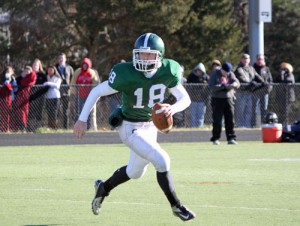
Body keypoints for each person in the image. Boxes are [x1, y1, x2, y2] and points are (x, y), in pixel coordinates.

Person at [73, 33, 195, 221]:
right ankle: (177, 206)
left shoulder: (168, 71)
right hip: (130, 127)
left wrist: (173, 108)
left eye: (149, 54)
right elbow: (97, 91)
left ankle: (103, 188)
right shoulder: (126, 73)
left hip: (151, 126)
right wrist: (82, 119)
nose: (144, 58)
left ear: (159, 56)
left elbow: (185, 98)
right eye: (141, 54)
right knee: (162, 160)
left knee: (135, 172)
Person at [209, 62, 240, 145]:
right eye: (225, 71)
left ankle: (231, 138)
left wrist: (234, 84)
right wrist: (222, 86)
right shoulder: (215, 74)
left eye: (228, 72)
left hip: (229, 99)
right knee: (217, 120)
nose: (227, 73)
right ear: (222, 69)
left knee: (230, 120)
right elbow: (211, 86)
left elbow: (237, 83)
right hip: (217, 99)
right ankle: (216, 138)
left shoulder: (230, 74)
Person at [234, 53, 264, 128]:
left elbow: (258, 78)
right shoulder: (239, 69)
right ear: (241, 59)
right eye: (244, 58)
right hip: (241, 93)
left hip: (249, 93)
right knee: (241, 110)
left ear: (249, 60)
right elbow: (243, 79)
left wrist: (261, 83)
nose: (245, 60)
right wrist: (252, 83)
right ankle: (240, 126)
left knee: (249, 111)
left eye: (247, 58)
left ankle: (247, 127)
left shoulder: (251, 68)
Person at [70, 58, 100, 130]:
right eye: (83, 64)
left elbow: (96, 84)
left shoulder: (92, 72)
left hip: (89, 96)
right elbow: (73, 83)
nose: (84, 66)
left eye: (86, 65)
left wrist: (94, 95)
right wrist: (73, 93)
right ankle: (78, 127)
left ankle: (89, 127)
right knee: (79, 111)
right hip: (79, 96)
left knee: (90, 112)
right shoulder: (78, 72)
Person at [11, 66, 36, 132]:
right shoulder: (20, 78)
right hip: (19, 96)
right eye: (25, 71)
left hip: (28, 96)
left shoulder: (31, 77)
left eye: (28, 71)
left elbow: (31, 83)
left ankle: (25, 126)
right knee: (19, 111)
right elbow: (16, 84)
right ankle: (19, 126)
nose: (26, 72)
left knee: (25, 112)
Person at [26, 58, 48, 132]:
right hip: (31, 97)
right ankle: (30, 128)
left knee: (39, 112)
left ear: (39, 66)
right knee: (31, 113)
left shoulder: (42, 75)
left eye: (37, 65)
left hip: (40, 96)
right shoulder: (30, 74)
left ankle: (38, 128)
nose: (35, 66)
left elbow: (46, 86)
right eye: (34, 65)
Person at [186, 62, 209, 127]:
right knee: (192, 116)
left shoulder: (206, 77)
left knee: (201, 116)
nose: (199, 72)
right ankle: (192, 129)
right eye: (198, 70)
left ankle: (200, 129)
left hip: (202, 100)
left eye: (201, 71)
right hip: (193, 100)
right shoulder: (191, 76)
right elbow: (188, 87)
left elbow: (209, 88)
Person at [252, 54, 273, 126]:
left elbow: (270, 80)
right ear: (256, 60)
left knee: (264, 109)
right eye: (258, 59)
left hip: (264, 92)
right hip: (255, 92)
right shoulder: (253, 68)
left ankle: (264, 124)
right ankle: (253, 124)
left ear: (263, 60)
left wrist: (269, 89)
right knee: (253, 109)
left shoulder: (266, 69)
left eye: (261, 59)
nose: (260, 61)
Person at [55, 53, 74, 129]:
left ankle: (65, 127)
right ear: (58, 59)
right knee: (57, 110)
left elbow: (73, 79)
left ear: (65, 59)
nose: (61, 59)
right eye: (59, 58)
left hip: (66, 92)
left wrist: (71, 89)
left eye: (62, 58)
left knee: (66, 110)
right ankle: (56, 127)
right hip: (57, 92)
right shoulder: (55, 68)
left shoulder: (69, 68)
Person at [44, 65, 62, 129]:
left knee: (54, 112)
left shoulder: (57, 78)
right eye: (48, 70)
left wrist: (48, 83)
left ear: (54, 70)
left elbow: (57, 86)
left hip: (55, 97)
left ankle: (55, 127)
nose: (49, 71)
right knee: (49, 112)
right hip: (48, 97)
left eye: (51, 70)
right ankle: (50, 127)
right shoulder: (47, 77)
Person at [0, 66, 17, 132]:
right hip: (2, 98)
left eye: (9, 72)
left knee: (10, 114)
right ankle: (2, 127)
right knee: (3, 114)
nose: (8, 73)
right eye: (7, 71)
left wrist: (13, 81)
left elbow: (15, 89)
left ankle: (9, 128)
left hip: (11, 98)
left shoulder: (13, 78)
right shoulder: (1, 78)